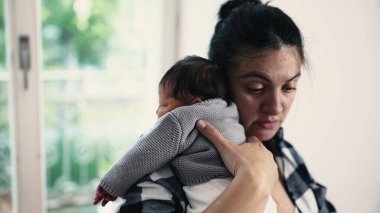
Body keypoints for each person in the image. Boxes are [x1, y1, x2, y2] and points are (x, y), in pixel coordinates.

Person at [115, 0, 337, 212]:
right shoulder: (158, 175)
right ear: (219, 81)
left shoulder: (284, 153)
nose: (276, 107)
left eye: (288, 87)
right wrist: (251, 185)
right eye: (257, 88)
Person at [93, 55, 247, 212]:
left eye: (164, 104)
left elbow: (145, 151)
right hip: (245, 184)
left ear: (194, 103)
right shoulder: (231, 110)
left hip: (210, 187)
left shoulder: (183, 117)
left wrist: (111, 184)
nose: (157, 111)